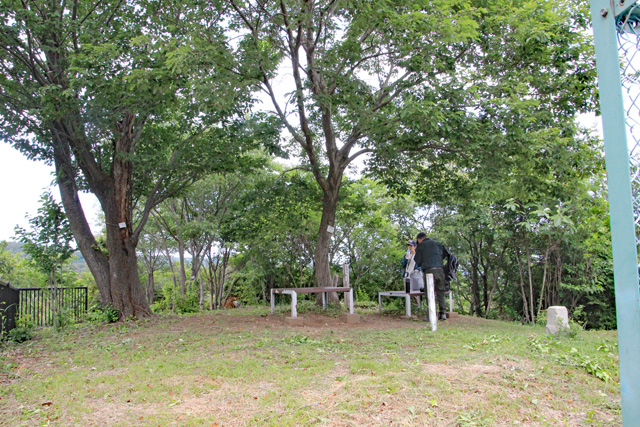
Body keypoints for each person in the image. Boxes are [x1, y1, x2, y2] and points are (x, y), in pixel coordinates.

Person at [413, 232, 450, 321]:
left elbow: (417, 260)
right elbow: (446, 253)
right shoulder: (437, 244)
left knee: (430, 292)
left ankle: (431, 315)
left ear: (419, 239)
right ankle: (442, 313)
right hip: (440, 270)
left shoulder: (421, 246)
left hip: (429, 270)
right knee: (441, 291)